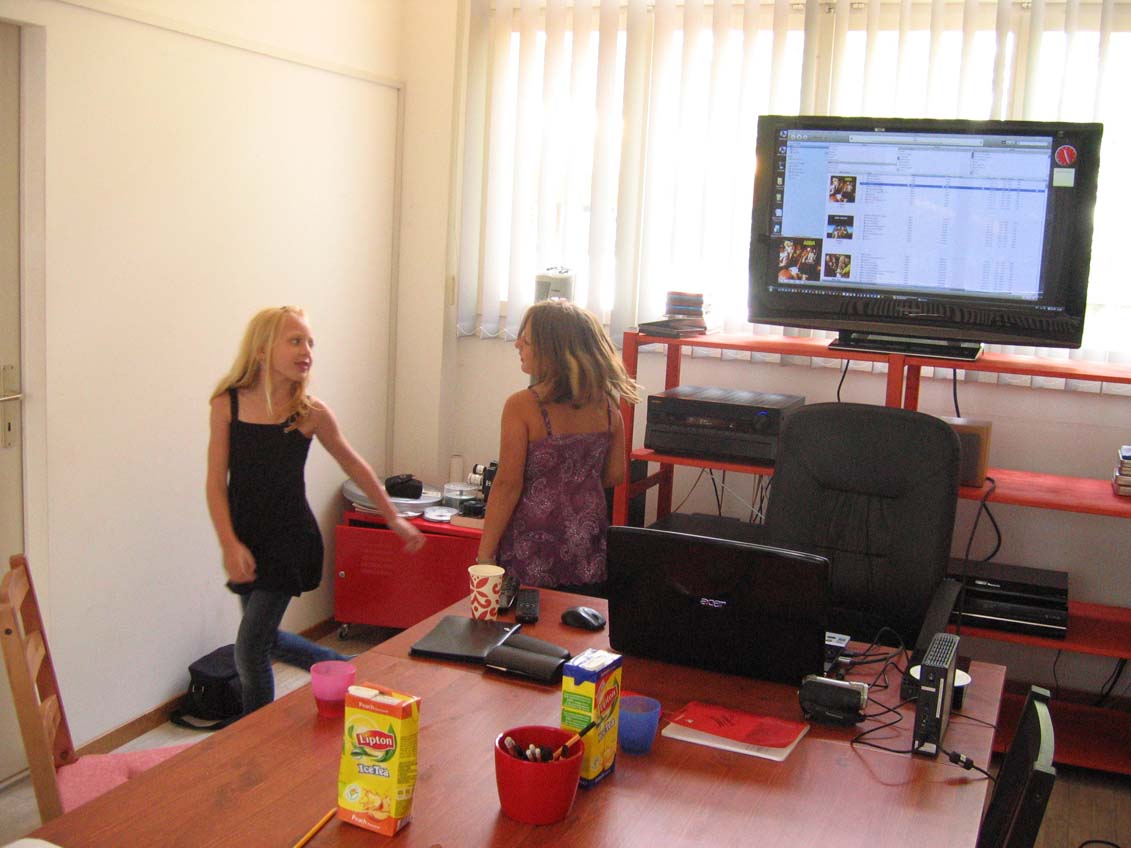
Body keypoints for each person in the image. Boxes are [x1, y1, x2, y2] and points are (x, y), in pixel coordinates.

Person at [205, 305, 424, 715]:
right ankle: (347, 667)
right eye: (295, 341)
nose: (306, 351)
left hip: (289, 540)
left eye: (310, 343)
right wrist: (229, 543)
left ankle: (254, 737)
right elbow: (216, 484)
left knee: (249, 650)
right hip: (246, 538)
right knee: (265, 640)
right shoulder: (226, 405)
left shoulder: (310, 413)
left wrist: (392, 516)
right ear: (262, 349)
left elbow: (354, 464)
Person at [475, 300, 641, 595]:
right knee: (579, 619)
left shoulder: (522, 406)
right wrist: (575, 486)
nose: (517, 345)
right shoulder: (608, 407)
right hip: (586, 547)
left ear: (551, 350)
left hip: (531, 548)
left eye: (526, 340)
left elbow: (507, 485)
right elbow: (615, 474)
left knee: (525, 619)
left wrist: (485, 557)